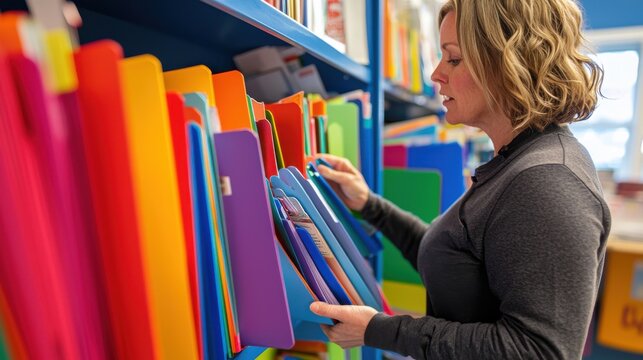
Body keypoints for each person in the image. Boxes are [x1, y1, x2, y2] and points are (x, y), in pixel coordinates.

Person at [309, 0, 610, 358]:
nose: (436, 73)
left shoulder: (548, 182)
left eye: (453, 58)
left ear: (506, 63)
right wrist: (370, 205)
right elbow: (455, 262)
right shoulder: (514, 161)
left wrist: (379, 330)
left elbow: (538, 350)